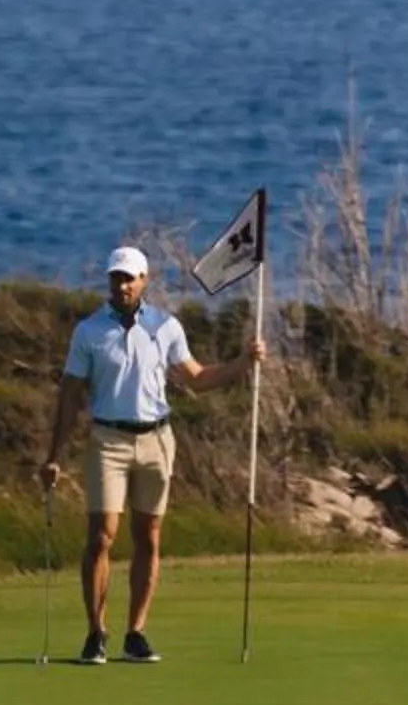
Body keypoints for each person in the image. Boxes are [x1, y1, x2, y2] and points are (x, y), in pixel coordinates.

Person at [39, 245, 264, 665]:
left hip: (157, 440)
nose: (122, 285)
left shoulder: (165, 327)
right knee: (101, 536)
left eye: (130, 278)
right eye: (116, 278)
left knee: (149, 538)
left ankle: (135, 633)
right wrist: (53, 455)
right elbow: (70, 395)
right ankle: (96, 633)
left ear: (145, 280)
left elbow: (197, 379)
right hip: (108, 439)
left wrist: (243, 364)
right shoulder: (89, 331)